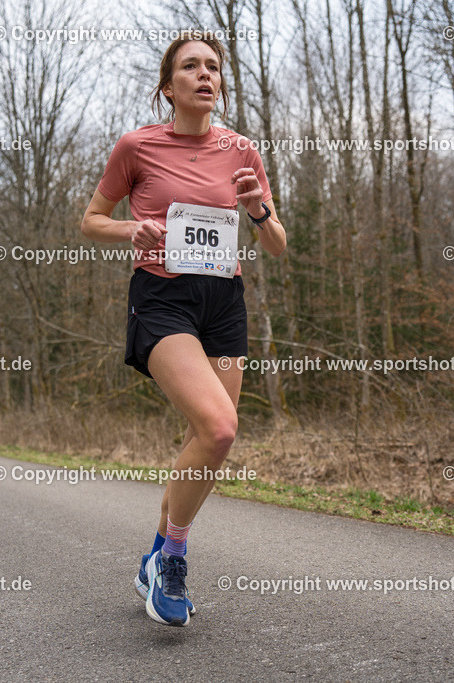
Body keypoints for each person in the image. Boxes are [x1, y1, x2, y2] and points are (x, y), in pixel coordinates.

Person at [80, 33, 286, 627]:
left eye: (213, 67)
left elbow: (276, 243)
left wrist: (257, 210)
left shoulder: (243, 150)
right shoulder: (136, 147)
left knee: (210, 441)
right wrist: (132, 230)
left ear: (221, 84)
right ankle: (172, 559)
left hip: (224, 300)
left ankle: (154, 553)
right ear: (167, 87)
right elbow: (90, 221)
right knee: (220, 428)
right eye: (190, 67)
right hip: (162, 296)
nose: (205, 75)